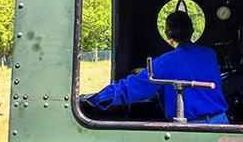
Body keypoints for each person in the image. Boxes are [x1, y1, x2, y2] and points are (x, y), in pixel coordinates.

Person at [83, 11, 229, 124]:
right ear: (192, 31)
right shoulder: (210, 54)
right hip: (221, 123)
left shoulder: (165, 62)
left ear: (167, 34)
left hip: (191, 128)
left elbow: (133, 88)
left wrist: (96, 98)